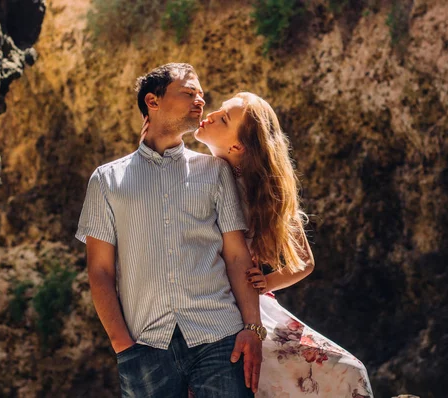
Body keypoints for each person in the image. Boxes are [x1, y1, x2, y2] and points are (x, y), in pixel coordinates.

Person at [143, 91, 373, 397]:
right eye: (221, 110)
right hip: (195, 308)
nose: (210, 115)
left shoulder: (259, 193)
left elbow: (304, 261)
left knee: (346, 371)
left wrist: (265, 282)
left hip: (249, 312)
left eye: (223, 118)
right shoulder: (190, 170)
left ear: (236, 146)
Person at [75, 63, 264, 398]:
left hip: (220, 338)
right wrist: (122, 345)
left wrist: (252, 328)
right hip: (145, 346)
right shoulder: (106, 180)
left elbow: (237, 256)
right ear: (153, 101)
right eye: (189, 93)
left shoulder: (214, 171)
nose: (200, 101)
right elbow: (99, 270)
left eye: (202, 96)